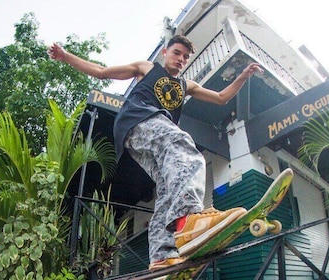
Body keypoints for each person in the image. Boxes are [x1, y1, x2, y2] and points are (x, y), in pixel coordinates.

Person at [48, 35, 263, 271]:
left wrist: (243, 76)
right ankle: (188, 220)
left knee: (167, 187)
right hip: (138, 120)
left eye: (185, 57)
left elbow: (221, 98)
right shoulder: (147, 68)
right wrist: (65, 56)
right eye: (177, 53)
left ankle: (162, 256)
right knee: (185, 148)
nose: (180, 59)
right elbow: (101, 71)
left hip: (144, 139)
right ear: (165, 52)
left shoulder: (186, 86)